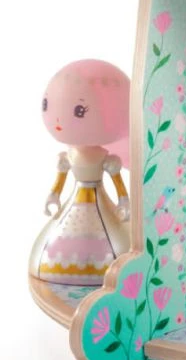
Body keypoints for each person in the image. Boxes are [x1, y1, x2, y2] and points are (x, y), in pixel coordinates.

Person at [30, 60, 131, 285]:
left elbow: (118, 182)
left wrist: (124, 200)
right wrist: (54, 194)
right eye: (47, 104)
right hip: (75, 202)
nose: (58, 121)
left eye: (79, 111)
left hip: (99, 202)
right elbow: (60, 179)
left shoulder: (105, 158)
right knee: (61, 240)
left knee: (111, 242)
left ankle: (106, 268)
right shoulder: (67, 157)